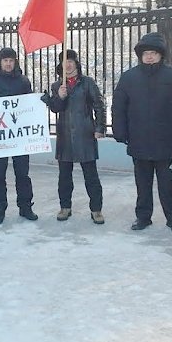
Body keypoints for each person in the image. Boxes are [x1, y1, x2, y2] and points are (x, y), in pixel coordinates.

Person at [111, 32, 172, 233]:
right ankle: (143, 217)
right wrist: (119, 131)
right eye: (146, 53)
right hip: (138, 140)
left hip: (166, 141)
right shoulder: (129, 77)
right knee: (143, 184)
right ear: (140, 55)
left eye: (154, 53)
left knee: (167, 184)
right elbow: (118, 106)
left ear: (161, 55)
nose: (149, 56)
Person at [0, 47, 37, 224]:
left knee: (23, 174)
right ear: (0, 62)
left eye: (11, 60)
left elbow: (29, 103)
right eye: (5, 60)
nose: (8, 63)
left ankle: (25, 207)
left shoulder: (23, 81)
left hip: (19, 137)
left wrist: (41, 102)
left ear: (15, 61)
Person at [46, 50, 106, 224]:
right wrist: (60, 97)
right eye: (65, 61)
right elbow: (55, 108)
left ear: (76, 63)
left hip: (85, 134)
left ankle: (96, 209)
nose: (68, 65)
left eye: (71, 61)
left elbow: (99, 105)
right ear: (61, 65)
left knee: (91, 176)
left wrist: (99, 127)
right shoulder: (57, 85)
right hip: (64, 136)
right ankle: (65, 207)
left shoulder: (87, 83)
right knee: (64, 176)